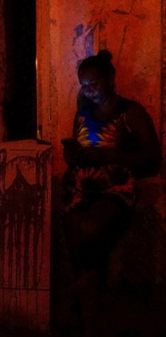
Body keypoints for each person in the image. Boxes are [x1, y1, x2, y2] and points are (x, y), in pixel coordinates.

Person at [62, 49, 161, 336]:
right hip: (80, 186)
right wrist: (76, 156)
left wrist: (108, 156)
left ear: (110, 79)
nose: (89, 91)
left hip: (117, 187)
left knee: (90, 227)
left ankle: (84, 302)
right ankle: (89, 310)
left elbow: (152, 156)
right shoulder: (82, 114)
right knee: (73, 231)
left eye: (94, 83)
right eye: (84, 85)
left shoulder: (131, 112)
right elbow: (81, 152)